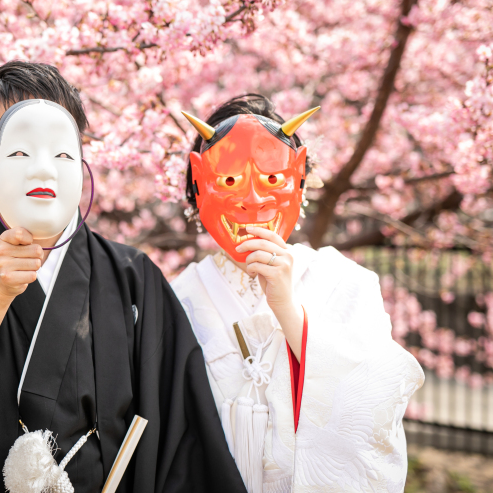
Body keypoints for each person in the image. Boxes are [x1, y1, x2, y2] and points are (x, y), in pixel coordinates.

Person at [0, 61, 246, 493]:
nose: (42, 169)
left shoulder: (133, 278)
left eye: (62, 151)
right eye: (21, 150)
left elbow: (182, 433)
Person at [172, 94, 424, 493]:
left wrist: (290, 312)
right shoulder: (176, 297)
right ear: (198, 188)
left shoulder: (345, 281)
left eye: (273, 180)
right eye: (230, 181)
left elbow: (376, 402)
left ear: (300, 181)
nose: (253, 200)